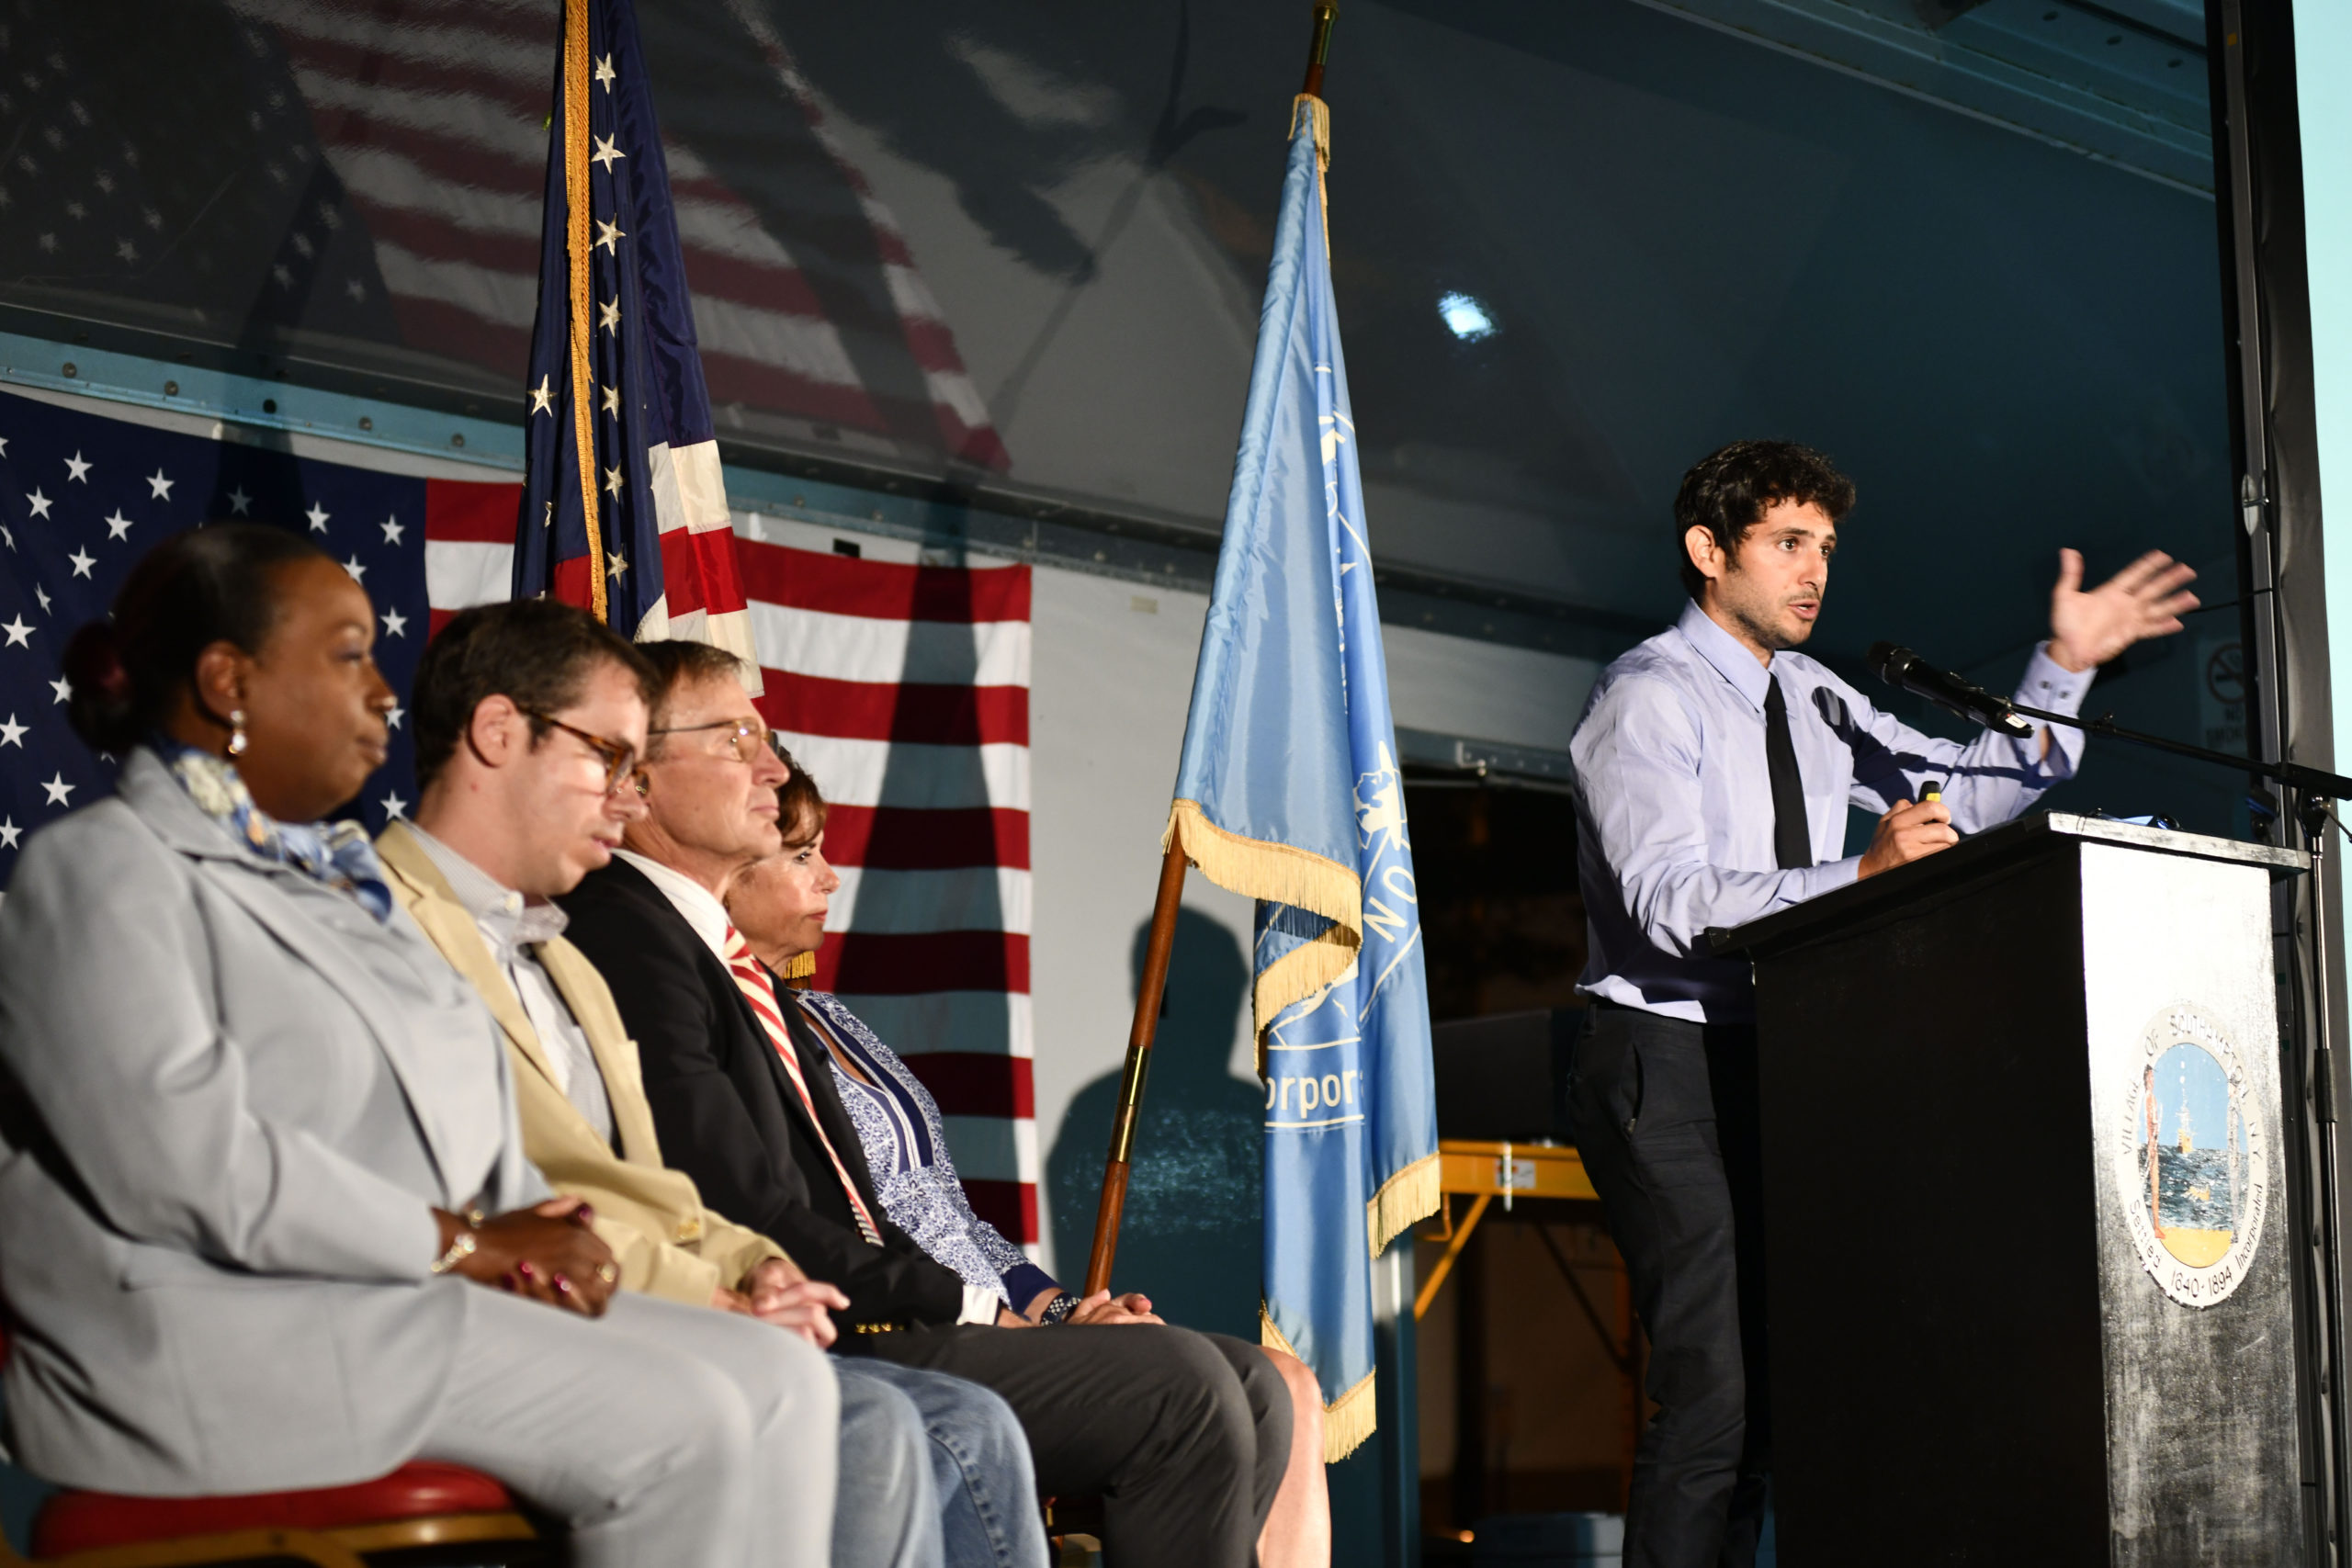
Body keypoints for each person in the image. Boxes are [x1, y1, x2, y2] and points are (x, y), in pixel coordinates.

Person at [0, 525, 839, 1567]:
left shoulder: (335, 889)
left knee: (787, 1383)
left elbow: (455, 1117)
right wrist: (466, 1241)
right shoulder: (101, 870)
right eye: (348, 654)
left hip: (393, 1303)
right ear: (229, 680)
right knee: (691, 1422)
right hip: (212, 1335)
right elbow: (181, 1166)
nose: (385, 695)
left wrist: (530, 1228)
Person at [1566, 440, 2198, 1568]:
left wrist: (2065, 665)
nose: (1815, 573)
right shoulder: (1645, 698)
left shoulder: (1813, 694)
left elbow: (1967, 795)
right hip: (1659, 1057)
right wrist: (1856, 880)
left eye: (1826, 549)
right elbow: (1669, 902)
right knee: (1711, 1390)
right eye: (1787, 545)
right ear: (1708, 552)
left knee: (1772, 1398)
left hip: (1783, 1052)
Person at [555, 639, 1294, 1568]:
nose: (773, 768)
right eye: (737, 739)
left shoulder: (751, 975)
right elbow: (734, 1194)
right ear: (643, 773)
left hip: (887, 1306)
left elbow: (890, 1204)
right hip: (813, 1325)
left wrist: (1039, 1308)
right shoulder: (629, 931)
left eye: (768, 740)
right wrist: (975, 1309)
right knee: (1180, 1387)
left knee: (1251, 1379)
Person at [377, 597, 1044, 1568]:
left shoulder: (557, 954)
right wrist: (714, 1291)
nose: (626, 794)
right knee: (876, 1427)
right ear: (495, 735)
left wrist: (752, 1266)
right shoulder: (382, 924)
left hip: (629, 1299)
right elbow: (497, 1199)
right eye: (607, 757)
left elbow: (647, 1182)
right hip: (495, 1318)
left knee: (962, 1418)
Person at [729, 750, 1333, 1568]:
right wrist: (1019, 1324)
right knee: (1194, 1381)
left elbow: (949, 1213)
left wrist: (1060, 1313)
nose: (830, 878)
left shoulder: (834, 1020)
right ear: (729, 872)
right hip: (906, 1323)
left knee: (1283, 1380)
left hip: (990, 1310)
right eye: (802, 856)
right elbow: (864, 1232)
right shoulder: (740, 1033)